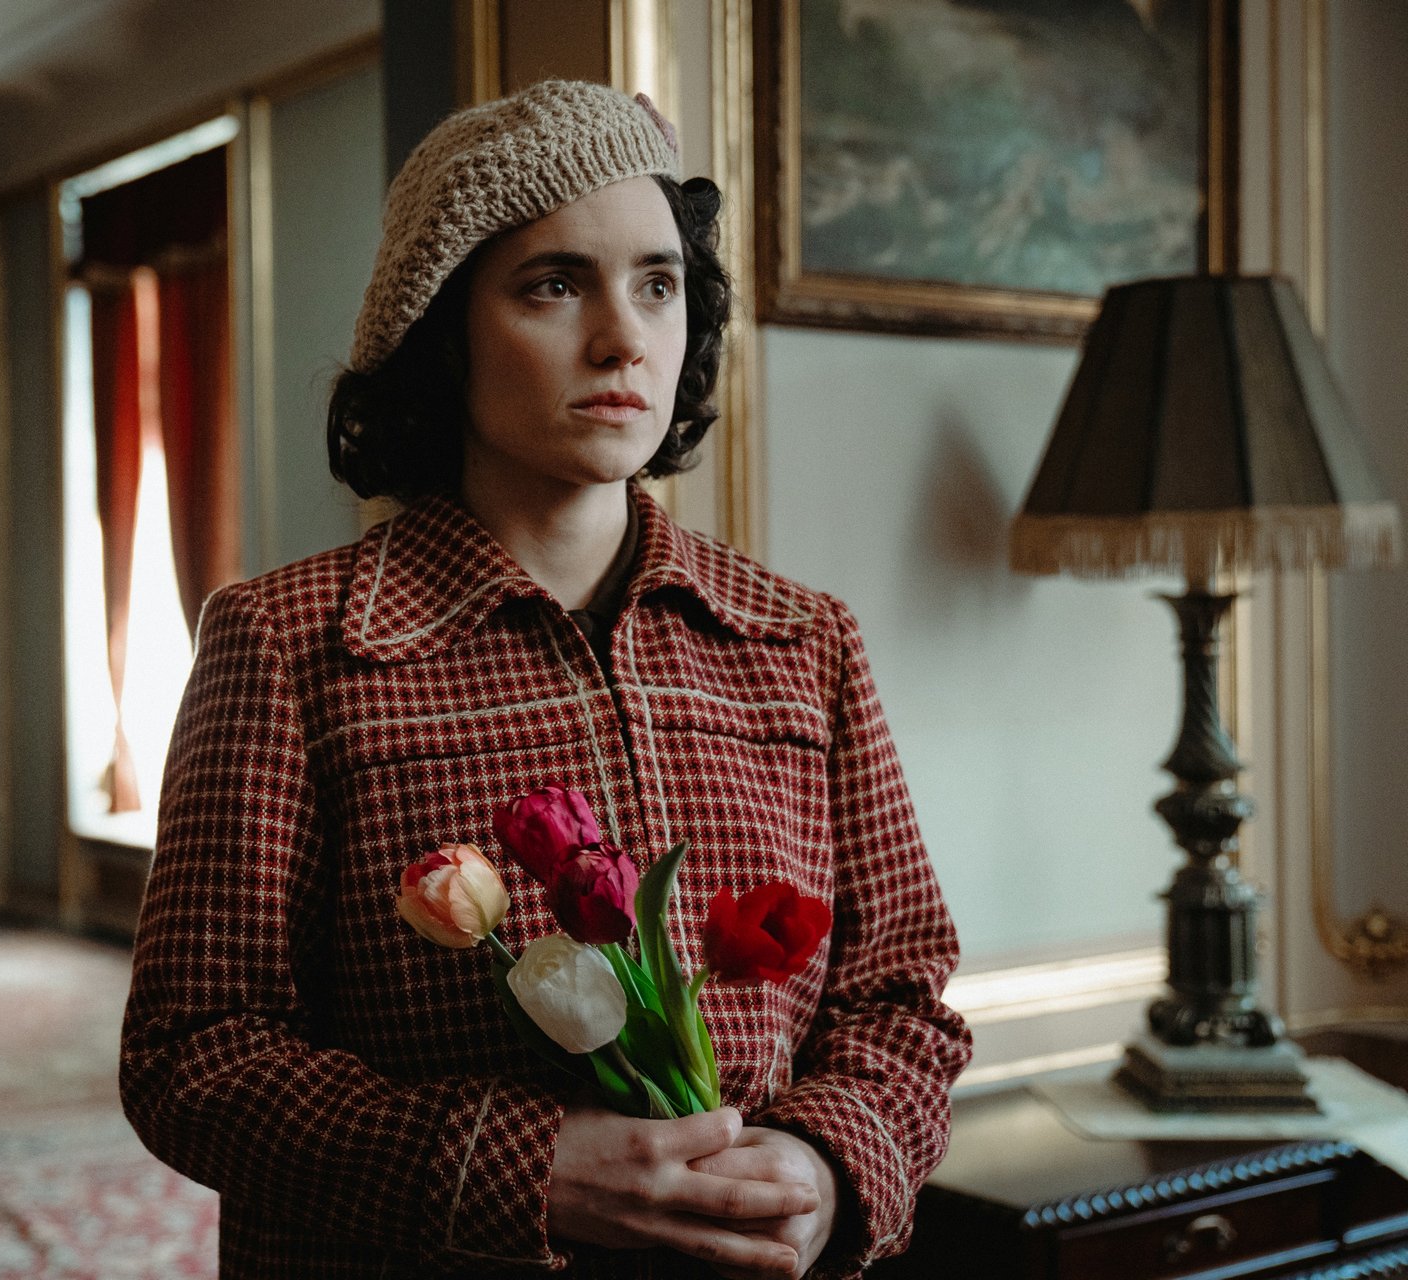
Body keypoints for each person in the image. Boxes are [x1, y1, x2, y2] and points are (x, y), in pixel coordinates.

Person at [119, 80, 971, 1279]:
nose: (624, 337)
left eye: (658, 284)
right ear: (444, 331)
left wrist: (830, 1165)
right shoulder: (289, 645)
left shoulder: (801, 640)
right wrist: (521, 1167)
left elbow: (904, 998)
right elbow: (192, 1053)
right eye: (554, 284)